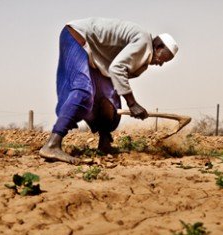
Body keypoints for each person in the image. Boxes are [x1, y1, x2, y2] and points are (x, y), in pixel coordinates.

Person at [39, 17, 178, 164]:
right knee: (83, 91)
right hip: (78, 38)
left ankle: (104, 143)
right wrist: (132, 104)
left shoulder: (143, 43)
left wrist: (130, 102)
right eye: (164, 59)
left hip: (94, 55)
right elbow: (117, 69)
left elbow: (115, 74)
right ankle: (52, 144)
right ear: (159, 46)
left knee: (112, 101)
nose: (161, 64)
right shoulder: (144, 42)